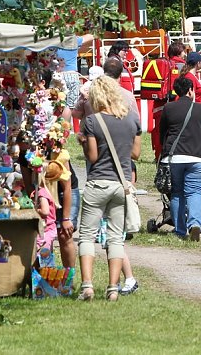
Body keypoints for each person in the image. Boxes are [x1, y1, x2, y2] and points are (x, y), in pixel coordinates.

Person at [77, 76, 142, 302]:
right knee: (116, 239)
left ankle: (87, 286)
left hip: (98, 182)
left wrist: (83, 142)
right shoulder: (132, 119)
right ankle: (113, 289)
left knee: (87, 236)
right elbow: (136, 154)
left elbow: (93, 157)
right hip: (121, 185)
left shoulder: (92, 121)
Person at [159, 77, 201, 240]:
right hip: (198, 157)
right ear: (190, 90)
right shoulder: (200, 108)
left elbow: (162, 132)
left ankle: (180, 230)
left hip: (174, 157)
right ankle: (195, 223)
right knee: (194, 192)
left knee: (177, 193)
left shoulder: (168, 108)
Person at [151, 41, 187, 161]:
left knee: (159, 132)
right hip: (175, 104)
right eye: (183, 51)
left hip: (159, 104)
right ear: (179, 52)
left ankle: (158, 156)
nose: (185, 54)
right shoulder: (182, 66)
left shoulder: (161, 64)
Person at [34, 169, 57, 256]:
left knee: (41, 255)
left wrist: (35, 210)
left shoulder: (42, 193)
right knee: (47, 254)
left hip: (45, 230)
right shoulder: (49, 191)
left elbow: (45, 211)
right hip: (50, 228)